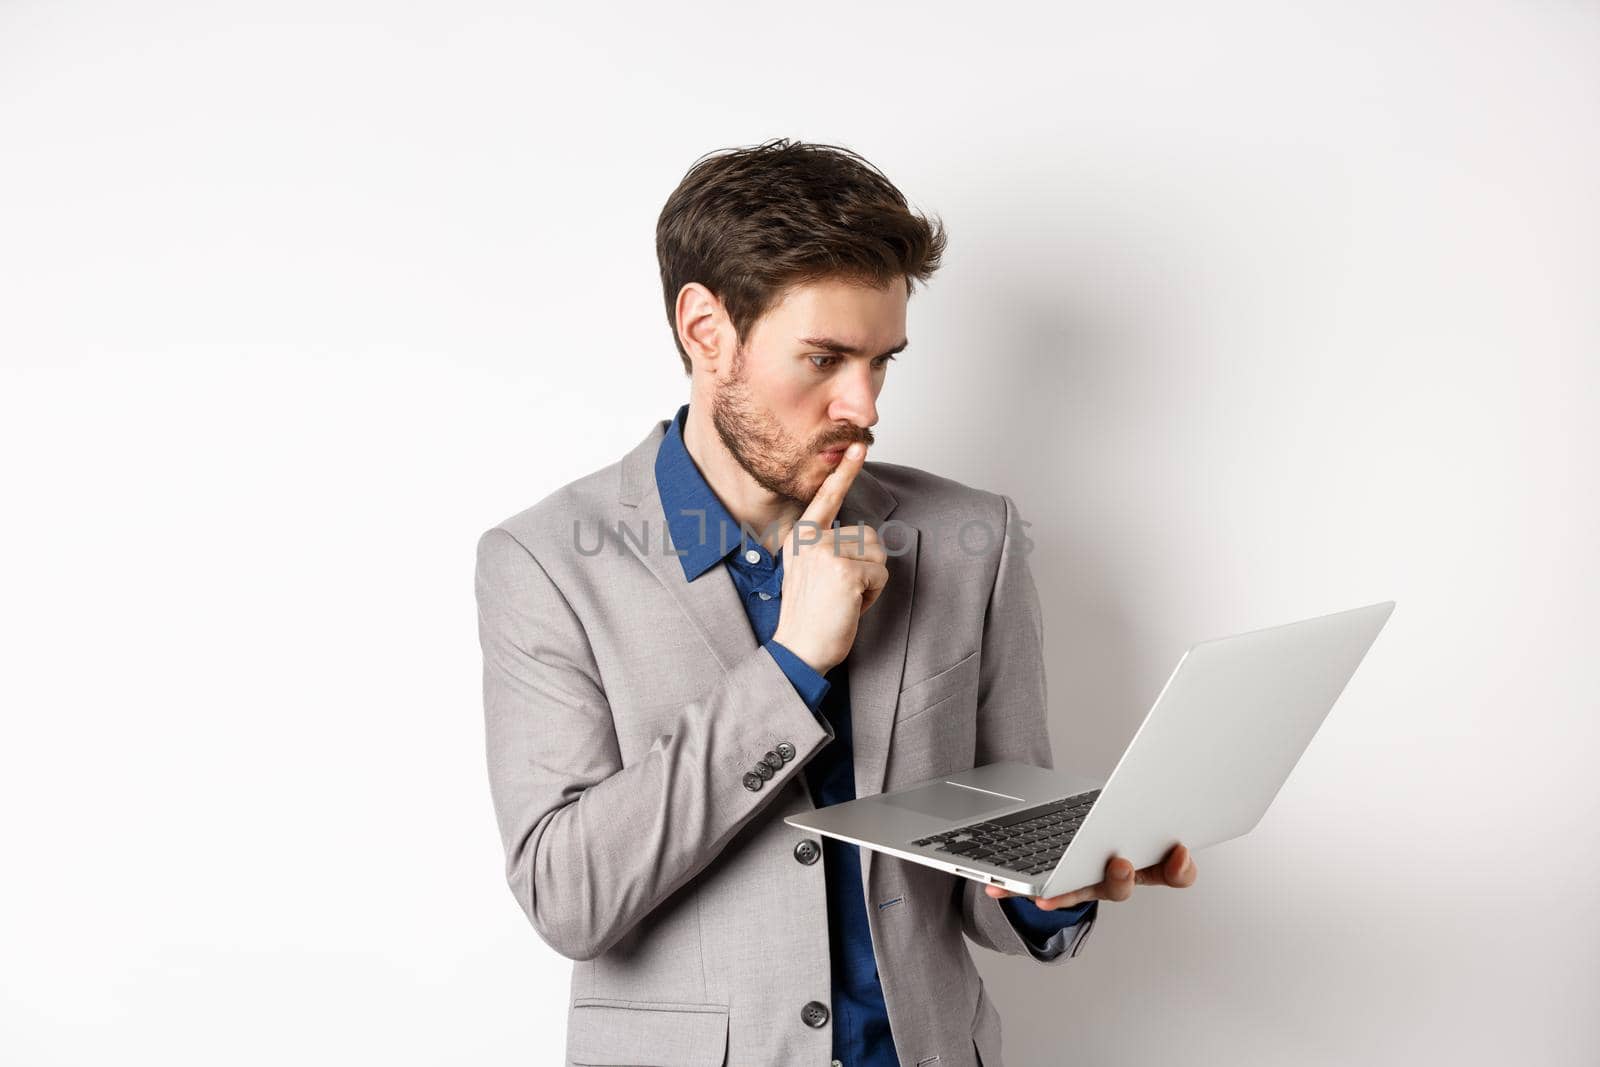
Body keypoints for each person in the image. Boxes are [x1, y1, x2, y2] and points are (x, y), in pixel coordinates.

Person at [475, 138, 1197, 1067]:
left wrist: (1045, 885)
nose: (863, 404)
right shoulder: (543, 564)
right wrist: (792, 665)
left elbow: (992, 857)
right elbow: (569, 896)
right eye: (823, 358)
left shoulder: (974, 537)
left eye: (882, 361)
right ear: (706, 329)